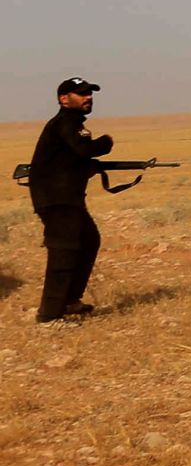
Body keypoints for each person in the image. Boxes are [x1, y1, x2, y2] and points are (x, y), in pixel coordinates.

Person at [29, 77, 114, 325]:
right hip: (57, 200)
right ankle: (50, 316)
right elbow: (84, 149)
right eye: (81, 94)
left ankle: (70, 301)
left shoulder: (69, 124)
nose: (88, 97)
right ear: (64, 99)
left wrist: (88, 167)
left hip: (67, 198)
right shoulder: (66, 122)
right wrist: (105, 143)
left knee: (88, 241)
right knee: (63, 253)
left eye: (89, 93)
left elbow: (73, 158)